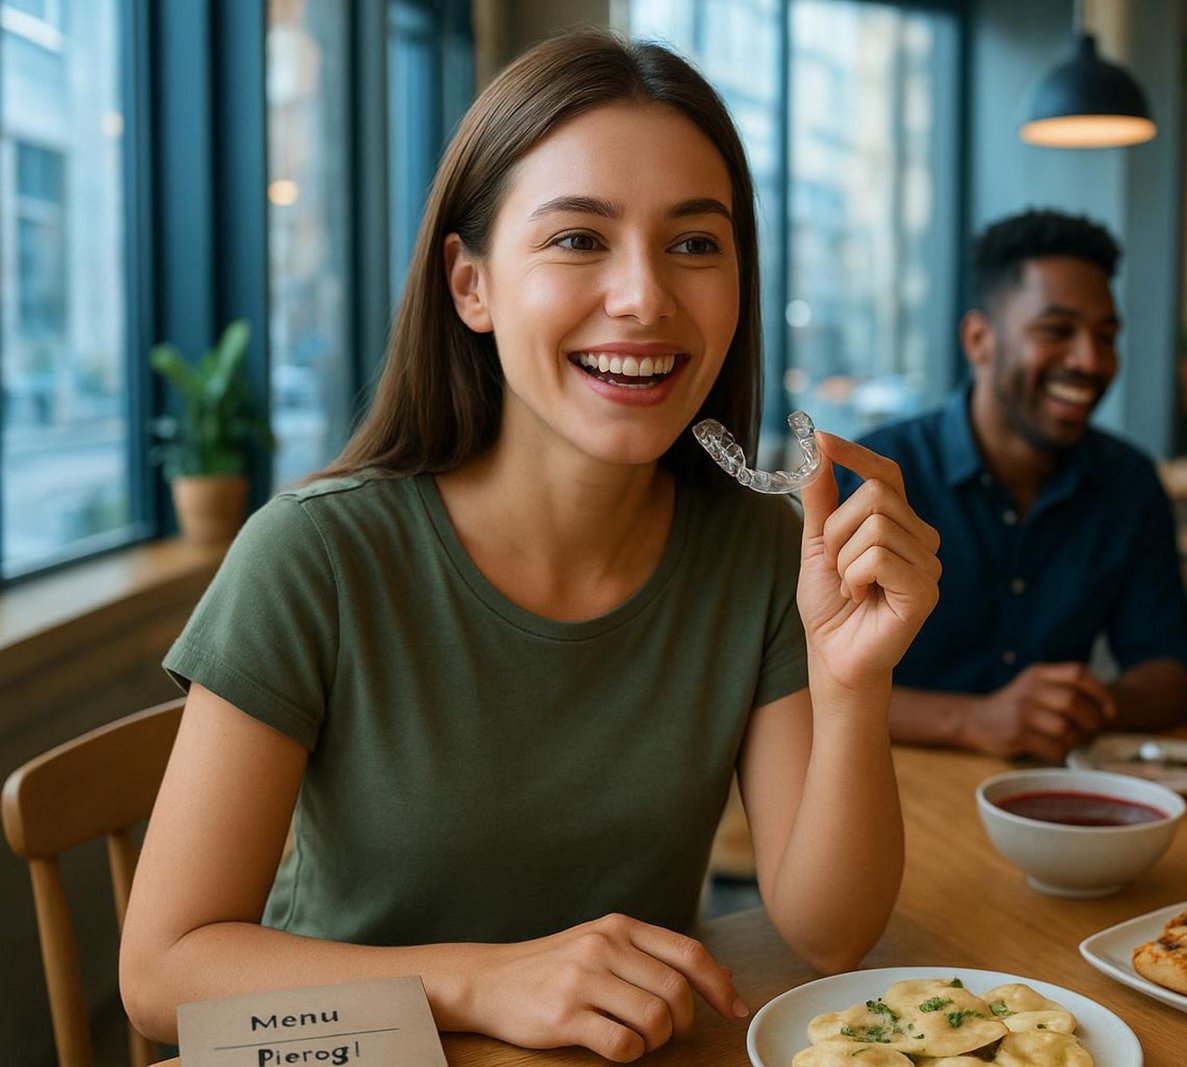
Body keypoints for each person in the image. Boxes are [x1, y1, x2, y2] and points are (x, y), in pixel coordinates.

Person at [119, 30, 942, 1062]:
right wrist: (481, 980)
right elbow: (162, 976)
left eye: (695, 243)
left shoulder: (758, 549)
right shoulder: (314, 556)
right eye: (579, 238)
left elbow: (831, 933)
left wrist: (852, 682)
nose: (645, 296)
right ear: (470, 285)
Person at [836, 209, 1187, 763]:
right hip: (891, 788)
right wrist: (973, 721)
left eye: (1106, 337)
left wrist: (1078, 708)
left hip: (1054, 792)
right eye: (1057, 331)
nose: (1090, 360)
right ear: (979, 340)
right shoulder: (875, 476)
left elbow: (1175, 669)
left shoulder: (1128, 482)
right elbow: (800, 676)